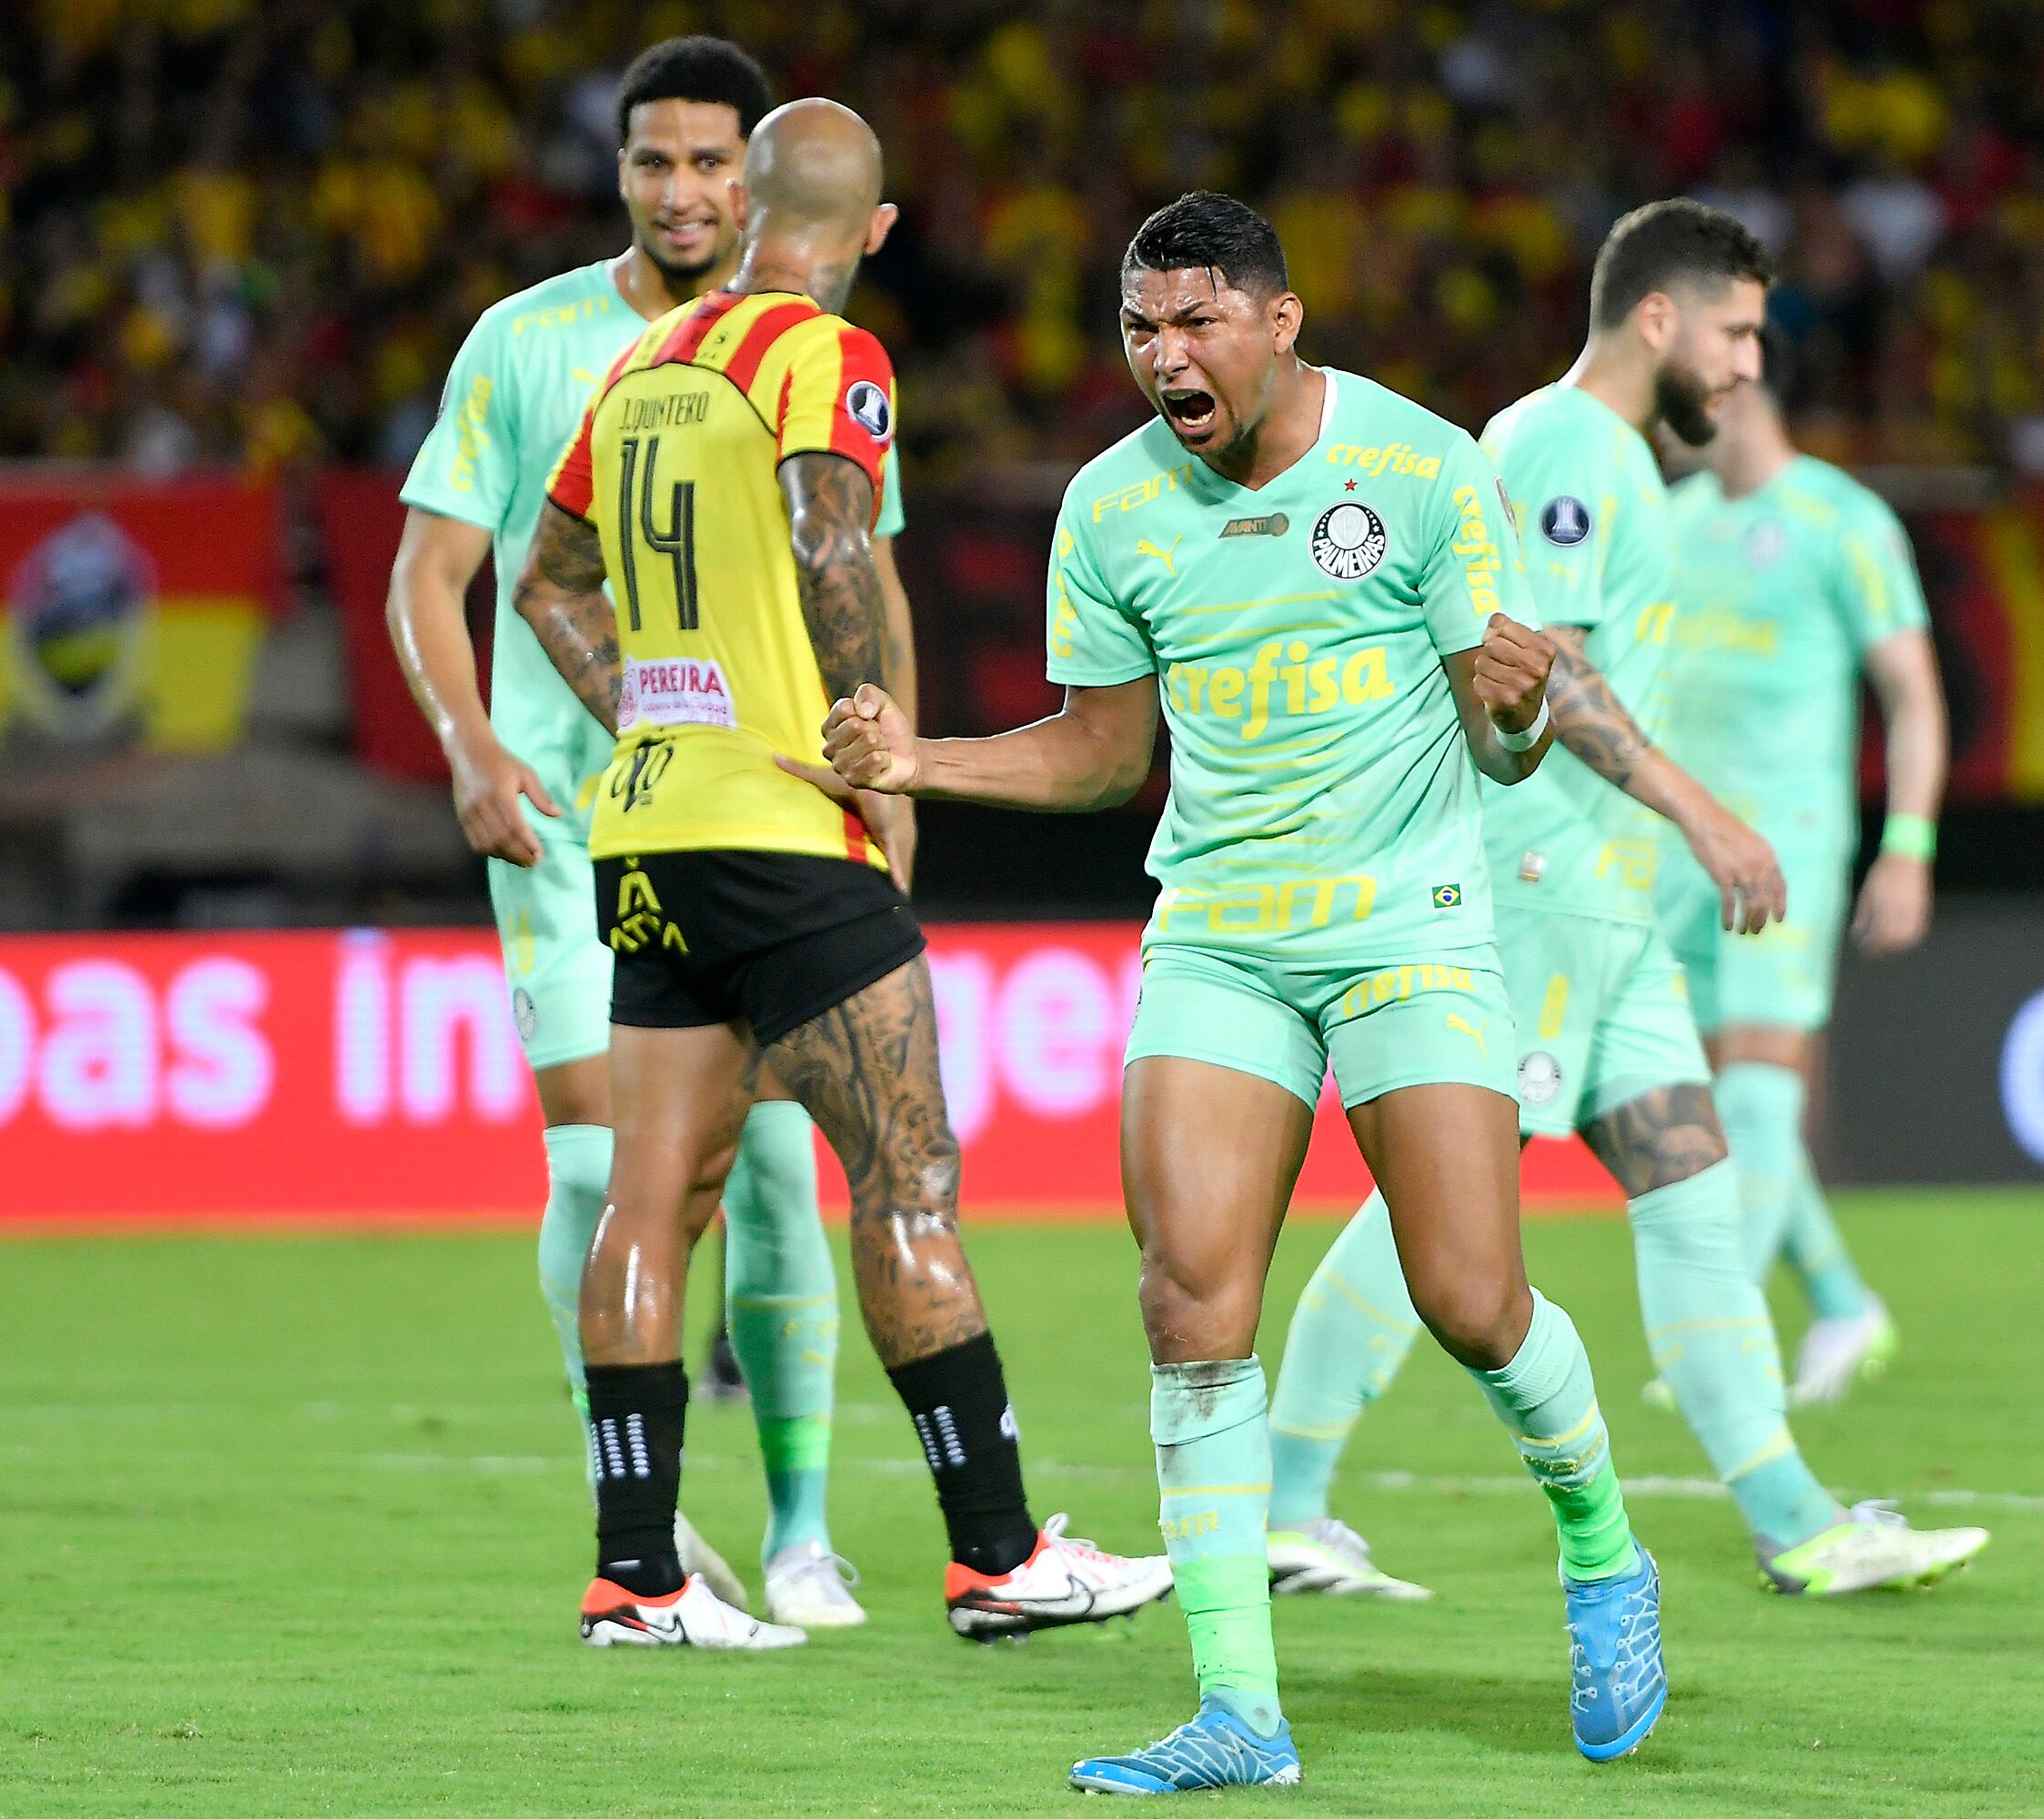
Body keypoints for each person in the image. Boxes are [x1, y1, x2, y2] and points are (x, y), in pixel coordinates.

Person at [817, 191, 1668, 1792]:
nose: (1165, 356)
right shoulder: (1112, 508)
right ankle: (1238, 1710)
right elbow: (1101, 753)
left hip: (1407, 921)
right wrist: (916, 761)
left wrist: (1525, 714)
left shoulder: (1421, 467)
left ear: (1281, 321)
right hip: (1219, 934)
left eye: (1197, 320)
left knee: (1473, 1299)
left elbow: (1495, 739)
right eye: (1141, 327)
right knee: (1188, 1300)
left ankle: (1604, 1552)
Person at [506, 97, 1170, 1651]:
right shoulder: (823, 355)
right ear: (872, 230)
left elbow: (547, 582)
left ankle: (635, 1579)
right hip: (790, 830)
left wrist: (658, 715)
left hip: (654, 829)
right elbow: (829, 533)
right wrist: (875, 738)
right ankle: (999, 1555)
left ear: (742, 208)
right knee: (908, 1180)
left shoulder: (642, 365)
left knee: (651, 1206)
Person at [1259, 201, 1989, 1600]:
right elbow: (1544, 670)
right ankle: (1286, 1504)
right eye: (1735, 334)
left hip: (1603, 899)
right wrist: (1705, 809)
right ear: (1659, 318)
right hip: (1541, 876)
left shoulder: (1598, 456)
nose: (1746, 367)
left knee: (1691, 1185)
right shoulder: (1572, 448)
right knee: (1441, 1207)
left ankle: (1798, 1522)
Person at [387, 35, 878, 1629]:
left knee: (782, 1176)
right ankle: (646, 1530)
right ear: (619, 173)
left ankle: (805, 1534)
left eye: (711, 165)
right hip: (564, 823)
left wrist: (872, 775)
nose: (683, 191)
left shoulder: (807, 351)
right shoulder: (526, 344)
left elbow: (844, 579)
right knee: (607, 1171)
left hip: (766, 817)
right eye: (653, 161)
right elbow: (431, 574)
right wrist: (469, 744)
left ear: (760, 181)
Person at [1660, 342, 1950, 1405]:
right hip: (1677, 857)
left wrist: (1907, 846)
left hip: (1789, 846)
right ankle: (1838, 1298)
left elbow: (1913, 694)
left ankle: (1717, 1338)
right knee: (1699, 1106)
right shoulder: (1675, 522)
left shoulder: (1843, 521)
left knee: (1761, 1089)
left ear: (1730, 396)